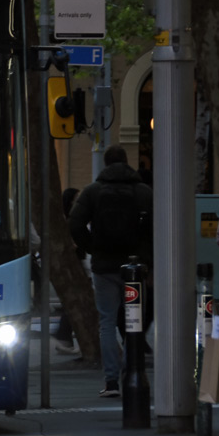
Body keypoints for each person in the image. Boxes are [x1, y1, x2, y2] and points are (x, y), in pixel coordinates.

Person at [68, 144, 153, 398]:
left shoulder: (92, 192)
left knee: (106, 323)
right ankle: (132, 374)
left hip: (104, 266)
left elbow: (74, 223)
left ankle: (111, 380)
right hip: (135, 268)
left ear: (105, 164)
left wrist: (91, 247)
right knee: (133, 322)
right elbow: (154, 228)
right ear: (127, 163)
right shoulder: (143, 192)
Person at [54, 187, 82, 355]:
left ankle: (65, 337)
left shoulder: (65, 220)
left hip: (71, 265)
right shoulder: (70, 221)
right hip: (74, 265)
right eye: (77, 199)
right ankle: (66, 336)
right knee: (75, 301)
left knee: (72, 301)